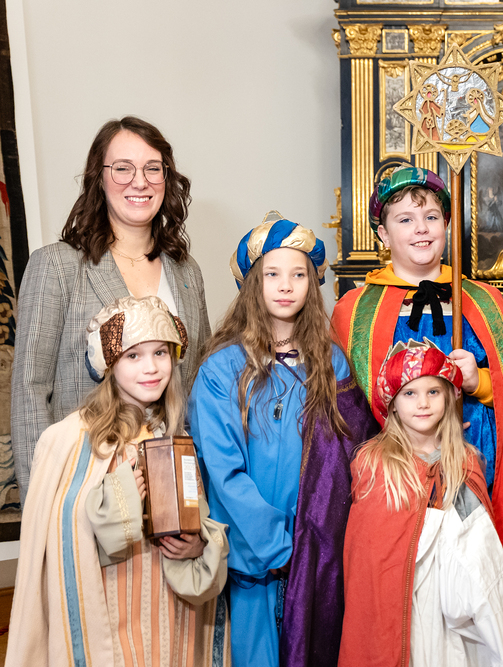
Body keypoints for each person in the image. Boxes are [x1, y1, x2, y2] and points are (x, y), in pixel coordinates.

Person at [332, 167, 503, 666]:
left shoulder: (483, 302)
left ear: (448, 225)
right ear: (382, 233)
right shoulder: (355, 310)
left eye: (432, 216)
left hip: (477, 481)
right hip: (400, 491)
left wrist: (479, 382)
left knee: (475, 616)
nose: (421, 229)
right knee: (413, 622)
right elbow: (350, 414)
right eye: (406, 219)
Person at [189, 212, 373, 667]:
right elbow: (224, 473)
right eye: (272, 274)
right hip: (257, 559)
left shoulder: (331, 362)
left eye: (298, 275)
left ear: (313, 284)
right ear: (253, 283)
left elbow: (353, 452)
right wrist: (279, 546)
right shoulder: (221, 370)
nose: (285, 285)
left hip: (320, 554)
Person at [5, 295, 229, 667]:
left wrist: (197, 545)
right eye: (133, 355)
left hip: (171, 615)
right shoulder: (70, 440)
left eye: (160, 353)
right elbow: (61, 543)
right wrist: (120, 501)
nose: (151, 367)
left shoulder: (174, 436)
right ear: (109, 363)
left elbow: (198, 518)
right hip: (108, 620)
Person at [11, 116, 212, 497]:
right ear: (98, 178)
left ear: (166, 178)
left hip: (171, 493)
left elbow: (199, 388)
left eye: (153, 168)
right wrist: (43, 502)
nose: (140, 181)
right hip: (86, 492)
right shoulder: (57, 266)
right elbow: (29, 392)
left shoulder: (187, 272)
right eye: (123, 168)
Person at [340, 338, 503, 665]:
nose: (422, 403)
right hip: (402, 607)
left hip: (454, 610)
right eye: (410, 393)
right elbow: (369, 560)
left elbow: (480, 550)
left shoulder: (464, 461)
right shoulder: (375, 464)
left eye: (433, 391)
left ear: (449, 396)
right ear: (392, 403)